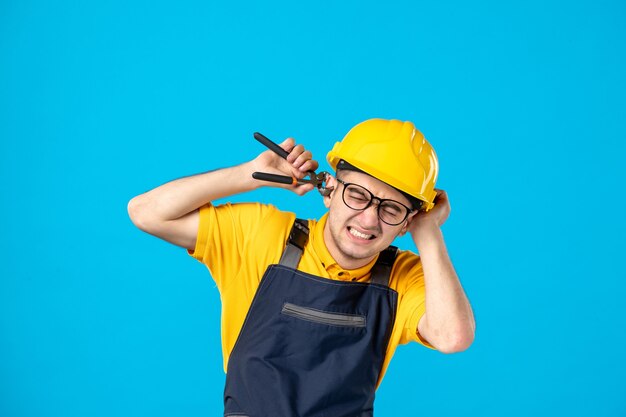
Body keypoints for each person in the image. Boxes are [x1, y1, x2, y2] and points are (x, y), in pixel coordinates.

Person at [128, 118, 475, 417]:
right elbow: (146, 212)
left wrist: (428, 233)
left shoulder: (403, 276)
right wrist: (247, 175)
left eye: (391, 210)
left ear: (405, 223)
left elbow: (452, 337)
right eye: (357, 195)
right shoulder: (262, 236)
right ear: (329, 191)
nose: (369, 219)